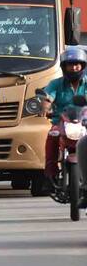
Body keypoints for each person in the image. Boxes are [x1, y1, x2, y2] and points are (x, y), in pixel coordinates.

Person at [43, 47, 87, 181]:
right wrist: (45, 107)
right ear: (64, 67)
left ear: (82, 66)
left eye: (76, 64)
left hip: (84, 123)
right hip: (60, 122)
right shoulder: (55, 84)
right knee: (52, 136)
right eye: (70, 64)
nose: (73, 68)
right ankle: (51, 173)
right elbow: (47, 98)